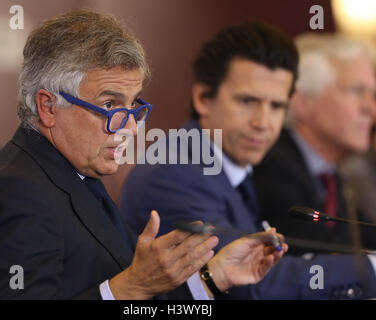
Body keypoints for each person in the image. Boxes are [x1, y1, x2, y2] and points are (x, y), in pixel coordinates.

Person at [0, 10, 285, 300]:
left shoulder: (77, 174)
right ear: (48, 107)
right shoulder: (17, 194)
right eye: (110, 105)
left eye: (133, 106)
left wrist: (213, 278)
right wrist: (129, 288)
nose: (130, 127)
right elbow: (127, 290)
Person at [121, 23, 376, 299]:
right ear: (203, 97)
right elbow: (250, 282)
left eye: (276, 106)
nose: (263, 123)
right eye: (247, 101)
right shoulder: (173, 174)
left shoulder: (232, 166)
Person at [253, 34, 376, 253]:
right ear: (303, 102)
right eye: (357, 91)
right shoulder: (270, 164)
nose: (371, 109)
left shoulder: (331, 174)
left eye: (373, 95)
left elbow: (364, 236)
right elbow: (315, 255)